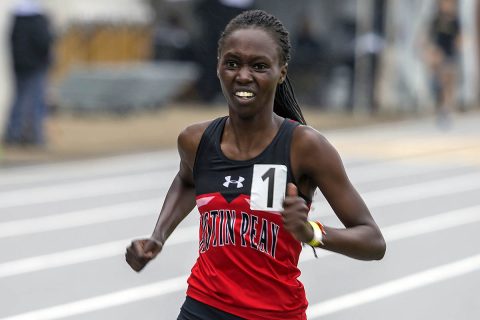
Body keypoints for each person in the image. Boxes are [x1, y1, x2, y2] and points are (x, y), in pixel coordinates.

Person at [126, 10, 386, 320]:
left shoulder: (305, 147)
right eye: (232, 63)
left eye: (259, 66)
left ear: (282, 72)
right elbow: (187, 180)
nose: (244, 75)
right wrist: (158, 236)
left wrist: (309, 231)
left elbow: (373, 241)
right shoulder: (196, 141)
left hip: (274, 314)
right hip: (202, 306)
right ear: (219, 67)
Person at [2, 0, 53, 146]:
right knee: (36, 102)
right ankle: (35, 137)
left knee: (19, 101)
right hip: (35, 67)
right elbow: (44, 42)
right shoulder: (37, 20)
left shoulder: (16, 20)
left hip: (19, 67)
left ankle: (13, 134)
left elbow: (11, 42)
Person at [428, 0, 461, 127]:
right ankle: (441, 107)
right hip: (439, 56)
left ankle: (448, 107)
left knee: (449, 83)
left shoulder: (455, 21)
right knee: (441, 82)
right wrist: (432, 52)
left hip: (451, 55)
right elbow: (430, 38)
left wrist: (460, 44)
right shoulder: (436, 20)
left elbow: (459, 38)